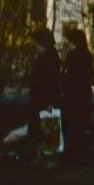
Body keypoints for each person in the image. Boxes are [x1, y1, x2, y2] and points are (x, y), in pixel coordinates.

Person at [27, 27, 62, 162]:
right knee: (42, 127)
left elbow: (51, 80)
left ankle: (48, 157)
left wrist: (50, 101)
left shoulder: (48, 58)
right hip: (41, 97)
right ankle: (42, 156)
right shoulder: (47, 56)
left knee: (46, 127)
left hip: (44, 98)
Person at [61, 28, 94, 164]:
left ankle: (72, 154)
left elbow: (68, 76)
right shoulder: (87, 54)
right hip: (84, 93)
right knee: (82, 123)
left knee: (72, 125)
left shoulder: (72, 56)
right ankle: (82, 153)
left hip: (73, 94)